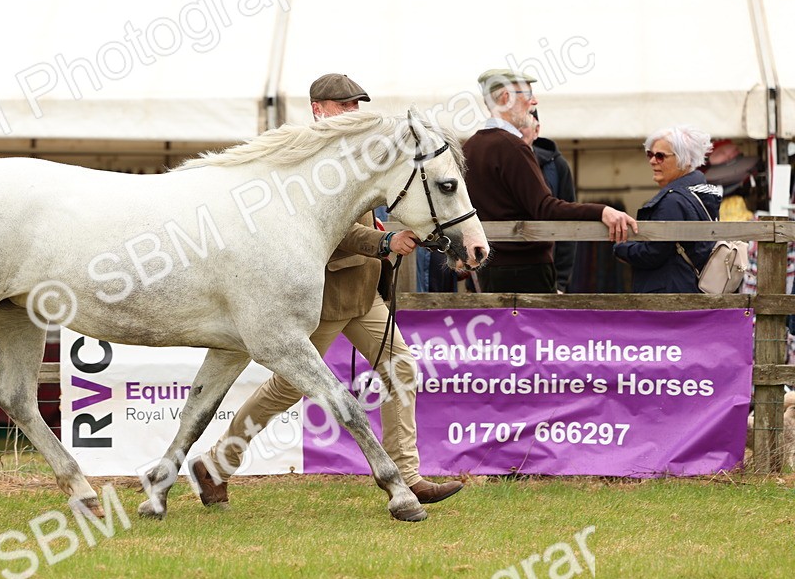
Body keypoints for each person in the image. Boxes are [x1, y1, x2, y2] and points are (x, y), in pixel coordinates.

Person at [188, 73, 464, 511]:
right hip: (324, 294)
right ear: (320, 108)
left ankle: (408, 477)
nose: (355, 112)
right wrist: (383, 242)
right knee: (287, 388)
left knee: (401, 368)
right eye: (346, 105)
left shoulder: (361, 153)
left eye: (358, 104)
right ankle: (219, 462)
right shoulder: (305, 157)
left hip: (364, 291)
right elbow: (315, 229)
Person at [464, 69, 637, 292]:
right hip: (526, 271)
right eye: (527, 94)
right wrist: (602, 211)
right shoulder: (514, 147)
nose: (534, 101)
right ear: (506, 98)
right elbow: (545, 208)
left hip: (488, 270)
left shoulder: (470, 147)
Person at [612, 126, 719, 292]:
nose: (652, 161)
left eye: (660, 156)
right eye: (650, 154)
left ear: (685, 160)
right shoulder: (700, 194)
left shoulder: (673, 201)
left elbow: (654, 253)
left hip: (668, 294)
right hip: (689, 288)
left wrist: (621, 247)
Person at [524, 109, 578, 292]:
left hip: (546, 273)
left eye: (523, 126)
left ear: (536, 130)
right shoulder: (494, 162)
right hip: (500, 271)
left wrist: (560, 281)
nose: (517, 133)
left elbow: (569, 225)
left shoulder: (556, 166)